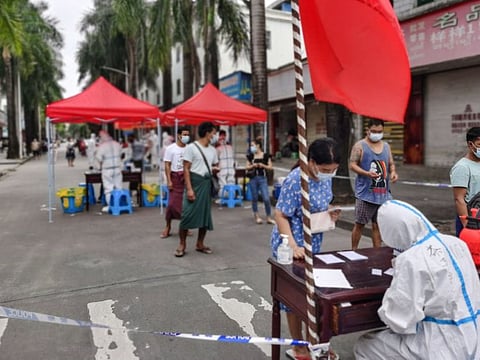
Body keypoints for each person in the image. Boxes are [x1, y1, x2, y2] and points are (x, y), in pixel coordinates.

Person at [354, 199, 480, 359]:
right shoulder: (456, 243)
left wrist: (387, 304)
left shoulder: (412, 259)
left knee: (366, 345)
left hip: (443, 345)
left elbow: (399, 320)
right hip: (474, 336)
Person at [271, 138, 341, 360]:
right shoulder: (295, 181)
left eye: (333, 170)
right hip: (291, 244)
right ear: (311, 162)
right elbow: (280, 215)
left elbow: (320, 204)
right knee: (295, 299)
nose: (328, 173)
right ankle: (300, 345)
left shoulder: (325, 179)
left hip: (314, 244)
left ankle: (316, 342)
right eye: (324, 169)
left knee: (315, 296)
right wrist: (292, 246)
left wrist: (330, 212)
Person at [349, 118, 398, 249]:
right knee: (359, 224)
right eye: (374, 131)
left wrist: (393, 172)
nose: (377, 134)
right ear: (368, 130)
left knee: (378, 225)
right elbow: (352, 165)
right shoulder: (360, 146)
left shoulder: (386, 146)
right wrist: (366, 173)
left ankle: (377, 253)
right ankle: (353, 250)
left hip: (383, 194)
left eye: (380, 131)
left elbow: (391, 163)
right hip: (365, 195)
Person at [174, 122, 219, 258]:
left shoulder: (212, 150)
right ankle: (182, 244)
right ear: (207, 133)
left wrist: (214, 169)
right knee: (187, 214)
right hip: (194, 183)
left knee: (205, 215)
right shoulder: (191, 148)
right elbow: (186, 169)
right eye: (213, 133)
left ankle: (200, 243)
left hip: (206, 184)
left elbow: (213, 165)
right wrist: (189, 189)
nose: (214, 135)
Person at [450, 127, 480, 236]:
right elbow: (459, 199)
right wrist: (467, 226)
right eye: (479, 144)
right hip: (470, 218)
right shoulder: (462, 167)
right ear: (470, 144)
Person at [161, 126, 190, 238]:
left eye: (188, 135)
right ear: (179, 135)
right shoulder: (170, 149)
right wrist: (169, 180)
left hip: (186, 178)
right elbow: (167, 165)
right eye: (184, 134)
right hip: (175, 178)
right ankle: (168, 226)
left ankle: (185, 226)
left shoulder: (189, 148)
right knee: (172, 205)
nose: (186, 137)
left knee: (186, 205)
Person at [246, 138, 275, 224]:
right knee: (254, 198)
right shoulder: (250, 156)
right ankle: (257, 216)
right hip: (253, 178)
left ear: (258, 145)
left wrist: (263, 165)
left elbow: (270, 167)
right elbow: (246, 167)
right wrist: (253, 166)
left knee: (266, 198)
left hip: (263, 178)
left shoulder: (265, 156)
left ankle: (269, 217)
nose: (251, 147)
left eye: (252, 145)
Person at [95, 130, 123, 212]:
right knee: (119, 187)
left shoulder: (102, 146)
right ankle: (120, 204)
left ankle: (111, 206)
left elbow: (98, 158)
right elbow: (121, 155)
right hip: (117, 168)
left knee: (108, 189)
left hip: (107, 169)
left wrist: (97, 168)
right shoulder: (117, 144)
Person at [216, 129, 235, 194]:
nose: (222, 137)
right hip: (224, 169)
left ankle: (227, 198)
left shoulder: (228, 147)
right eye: (221, 136)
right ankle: (229, 197)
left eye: (224, 136)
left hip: (226, 169)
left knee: (225, 185)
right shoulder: (228, 147)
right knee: (225, 184)